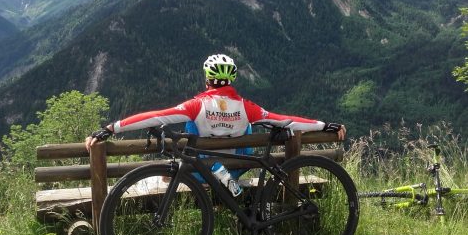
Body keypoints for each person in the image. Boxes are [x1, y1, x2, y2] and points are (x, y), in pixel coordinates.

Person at [85, 53, 346, 195]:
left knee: (191, 128)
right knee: (248, 128)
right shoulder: (247, 107)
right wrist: (325, 125)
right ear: (231, 79)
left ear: (208, 79)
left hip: (202, 171)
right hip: (236, 170)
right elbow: (286, 121)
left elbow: (156, 116)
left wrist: (111, 128)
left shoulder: (196, 105)